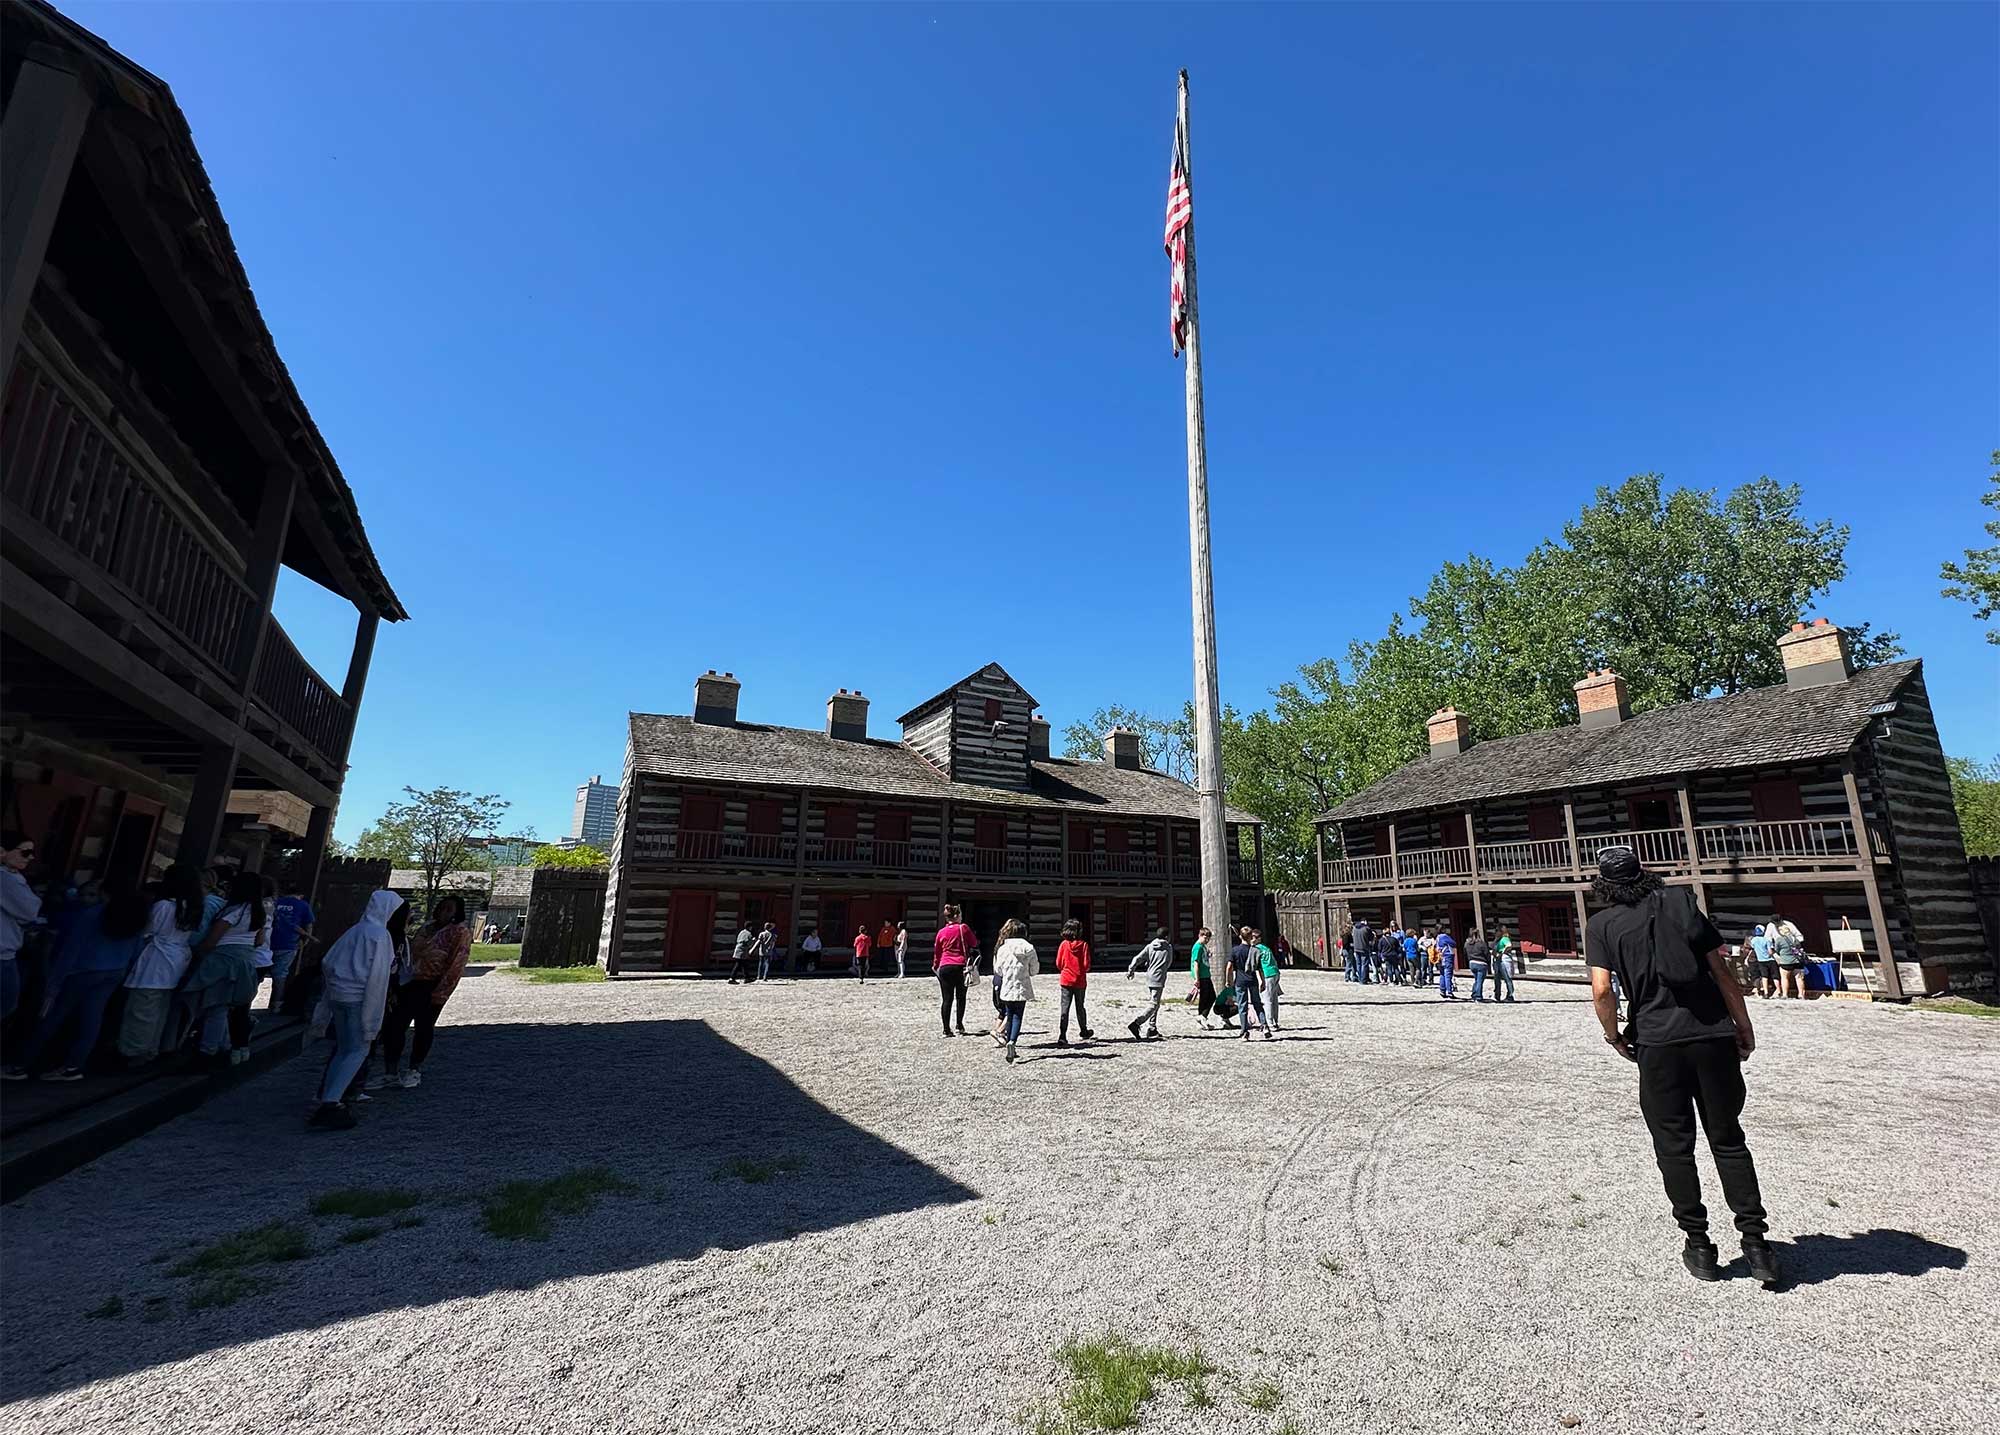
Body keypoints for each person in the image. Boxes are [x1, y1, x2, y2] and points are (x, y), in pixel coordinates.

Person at [1586, 845, 1777, 1287]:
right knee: (1728, 1141)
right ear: (1644, 873)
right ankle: (1756, 1245)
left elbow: (1601, 990)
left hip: (1656, 1042)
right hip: (1711, 1034)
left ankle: (1699, 1245)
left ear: (1604, 884)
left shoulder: (1602, 925)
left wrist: (1614, 1035)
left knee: (1674, 1147)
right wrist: (1741, 1026)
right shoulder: (1682, 902)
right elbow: (1722, 972)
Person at [4, 885, 150, 1080]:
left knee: (52, 1015)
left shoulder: (94, 914)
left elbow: (72, 949)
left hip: (83, 971)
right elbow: (137, 949)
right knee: (92, 1019)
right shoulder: (137, 918)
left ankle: (20, 1064)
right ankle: (73, 1066)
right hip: (115, 971)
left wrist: (54, 980)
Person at [309, 890, 407, 1131]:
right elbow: (378, 977)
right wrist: (373, 1016)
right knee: (356, 1051)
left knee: (344, 1050)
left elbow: (328, 961)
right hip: (358, 998)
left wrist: (335, 987)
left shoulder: (355, 931)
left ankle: (330, 1095)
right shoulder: (380, 935)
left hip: (340, 996)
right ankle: (331, 1103)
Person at [373, 894, 471, 1090]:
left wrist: (442, 991)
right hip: (409, 981)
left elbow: (457, 964)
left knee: (423, 1027)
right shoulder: (427, 927)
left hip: (432, 984)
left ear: (457, 912)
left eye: (450, 909)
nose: (444, 911)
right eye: (442, 907)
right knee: (395, 1025)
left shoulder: (460, 932)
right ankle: (390, 1072)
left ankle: (414, 1069)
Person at [116, 864, 212, 1064]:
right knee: (159, 1010)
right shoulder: (193, 907)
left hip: (156, 959)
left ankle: (134, 1052)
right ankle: (150, 1049)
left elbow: (148, 932)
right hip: (177, 958)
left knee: (142, 1010)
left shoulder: (165, 906)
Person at [184, 871, 265, 1068]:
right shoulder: (258, 912)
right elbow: (259, 940)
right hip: (245, 961)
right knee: (226, 1007)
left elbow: (213, 938)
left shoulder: (234, 911)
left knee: (216, 1008)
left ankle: (207, 1051)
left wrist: (199, 953)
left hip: (223, 960)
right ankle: (224, 1045)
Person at [0, 830, 44, 1021]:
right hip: (2, 956)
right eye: (25, 852)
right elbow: (30, 910)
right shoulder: (5, 879)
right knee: (7, 1005)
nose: (31, 857)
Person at [992, 918, 1037, 1063]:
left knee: (1009, 1014)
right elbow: (1034, 968)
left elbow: (998, 969)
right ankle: (1012, 1041)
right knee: (1018, 1015)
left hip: (1007, 986)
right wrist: (1028, 971)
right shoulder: (1028, 948)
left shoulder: (1003, 948)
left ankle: (1009, 1041)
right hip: (1022, 985)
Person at [268, 881, 315, 1012]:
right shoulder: (303, 905)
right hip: (288, 944)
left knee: (260, 973)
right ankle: (276, 1004)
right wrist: (305, 941)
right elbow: (309, 925)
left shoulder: (275, 902)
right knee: (280, 974)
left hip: (267, 942)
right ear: (300, 895)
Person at [933, 905, 975, 1036]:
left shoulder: (941, 932)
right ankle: (959, 1025)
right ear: (956, 916)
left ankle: (946, 1029)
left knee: (947, 999)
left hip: (945, 966)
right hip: (960, 965)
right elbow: (973, 943)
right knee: (961, 997)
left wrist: (935, 965)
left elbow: (937, 951)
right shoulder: (963, 928)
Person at [1124, 927, 1172, 1040]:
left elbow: (1137, 958)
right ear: (1166, 936)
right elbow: (1169, 962)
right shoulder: (1168, 947)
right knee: (1154, 1004)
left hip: (1150, 976)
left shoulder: (1150, 946)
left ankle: (1152, 1028)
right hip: (1159, 977)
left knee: (1155, 1002)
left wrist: (1131, 970)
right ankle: (1136, 1023)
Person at [1227, 930, 1271, 1040]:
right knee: (1257, 1004)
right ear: (1251, 936)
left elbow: (1229, 967)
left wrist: (1228, 981)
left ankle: (1245, 1031)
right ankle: (1264, 1025)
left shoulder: (1235, 950)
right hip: (1253, 980)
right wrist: (1263, 982)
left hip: (1240, 981)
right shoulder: (1256, 951)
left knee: (1243, 1006)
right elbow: (1260, 969)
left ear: (1240, 936)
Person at [1054, 919, 1093, 1045]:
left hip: (1066, 980)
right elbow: (1086, 965)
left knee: (1064, 1008)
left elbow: (1059, 964)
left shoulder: (1063, 945)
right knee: (1080, 1007)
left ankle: (1062, 1035)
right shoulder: (1083, 945)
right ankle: (1083, 1030)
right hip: (1080, 980)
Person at [1769, 917, 1807, 999]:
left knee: (1785, 978)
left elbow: (1777, 949)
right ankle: (1801, 994)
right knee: (1799, 978)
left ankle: (1785, 994)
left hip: (1786, 961)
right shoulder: (1796, 939)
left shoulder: (1779, 939)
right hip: (1797, 960)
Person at [1190, 926, 1219, 1028]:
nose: (1207, 940)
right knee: (1208, 997)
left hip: (1206, 974)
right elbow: (1196, 963)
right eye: (1205, 937)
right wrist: (1197, 978)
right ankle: (1202, 1016)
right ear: (1200, 936)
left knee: (1208, 997)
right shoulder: (1197, 947)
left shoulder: (1203, 947)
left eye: (1208, 938)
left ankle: (1202, 1018)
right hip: (1202, 976)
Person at [1257, 929, 1283, 1030]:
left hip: (1267, 974)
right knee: (1274, 999)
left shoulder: (1256, 949)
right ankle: (1275, 1021)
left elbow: (1257, 966)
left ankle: (1270, 1022)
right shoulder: (1265, 948)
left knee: (1267, 999)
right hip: (1275, 972)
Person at [1747, 925, 1776, 999]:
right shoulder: (1766, 940)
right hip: (1763, 959)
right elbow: (1769, 951)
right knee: (1765, 976)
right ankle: (1761, 990)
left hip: (1757, 960)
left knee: (1758, 976)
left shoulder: (1753, 940)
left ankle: (1760, 990)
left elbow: (1751, 948)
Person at [1492, 927, 1518, 1003]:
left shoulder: (1505, 939)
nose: (1495, 933)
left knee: (1507, 978)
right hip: (1498, 961)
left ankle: (1510, 995)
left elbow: (1509, 945)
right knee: (1497, 978)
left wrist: (1502, 953)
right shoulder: (1498, 940)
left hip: (1504, 960)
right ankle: (1497, 995)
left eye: (1497, 931)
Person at [1467, 928, 1492, 1002]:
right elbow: (1487, 953)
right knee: (1480, 981)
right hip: (1481, 963)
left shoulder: (1467, 943)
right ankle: (1478, 996)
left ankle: (1474, 994)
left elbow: (1466, 953)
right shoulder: (1481, 943)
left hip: (1472, 963)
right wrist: (1488, 962)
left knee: (1477, 980)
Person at [1347, 916, 1372, 983]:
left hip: (1356, 948)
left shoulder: (1354, 928)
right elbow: (1371, 937)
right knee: (1364, 964)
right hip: (1364, 948)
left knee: (1358, 964)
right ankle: (1363, 979)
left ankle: (1360, 978)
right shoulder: (1366, 928)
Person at [1435, 927, 1458, 999]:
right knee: (1448, 974)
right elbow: (1453, 943)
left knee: (1442, 974)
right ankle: (1449, 991)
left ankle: (1442, 990)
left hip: (1441, 956)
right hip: (1447, 956)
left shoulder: (1437, 937)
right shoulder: (1444, 936)